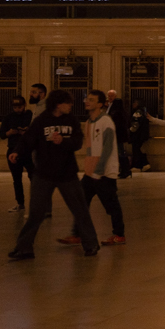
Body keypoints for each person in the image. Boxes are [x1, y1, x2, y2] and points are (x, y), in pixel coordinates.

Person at [8, 89, 98, 260]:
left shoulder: (71, 120)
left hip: (67, 174)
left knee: (80, 210)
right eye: (68, 103)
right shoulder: (42, 120)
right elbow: (28, 139)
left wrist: (63, 141)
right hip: (44, 173)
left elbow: (78, 142)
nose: (71, 105)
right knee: (36, 213)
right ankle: (24, 248)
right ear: (58, 104)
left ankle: (91, 244)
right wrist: (17, 152)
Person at [68, 90, 125, 247]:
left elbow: (107, 148)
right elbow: (90, 147)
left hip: (105, 172)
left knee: (111, 205)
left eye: (92, 100)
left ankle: (119, 234)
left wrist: (99, 170)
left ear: (100, 104)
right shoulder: (88, 122)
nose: (87, 102)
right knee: (81, 202)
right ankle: (77, 234)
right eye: (87, 99)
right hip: (91, 172)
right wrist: (89, 169)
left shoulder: (106, 121)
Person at [0, 94, 33, 211]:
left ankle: (36, 202)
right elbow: (2, 135)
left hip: (27, 150)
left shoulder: (29, 115)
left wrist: (26, 131)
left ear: (24, 106)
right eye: (15, 107)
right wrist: (10, 132)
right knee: (16, 179)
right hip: (13, 149)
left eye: (19, 107)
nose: (17, 109)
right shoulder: (9, 117)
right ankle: (20, 203)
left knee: (34, 176)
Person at [105, 89, 133, 178]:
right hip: (118, 135)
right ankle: (124, 170)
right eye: (109, 96)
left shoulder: (117, 112)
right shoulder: (119, 111)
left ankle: (125, 170)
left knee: (120, 152)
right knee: (120, 152)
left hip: (117, 135)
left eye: (111, 96)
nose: (109, 98)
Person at [126, 98, 153, 171]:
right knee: (138, 149)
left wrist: (129, 131)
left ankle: (138, 165)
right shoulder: (144, 111)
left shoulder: (137, 113)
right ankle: (145, 164)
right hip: (141, 134)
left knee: (136, 150)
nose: (133, 104)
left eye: (134, 103)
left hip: (137, 135)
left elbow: (135, 124)